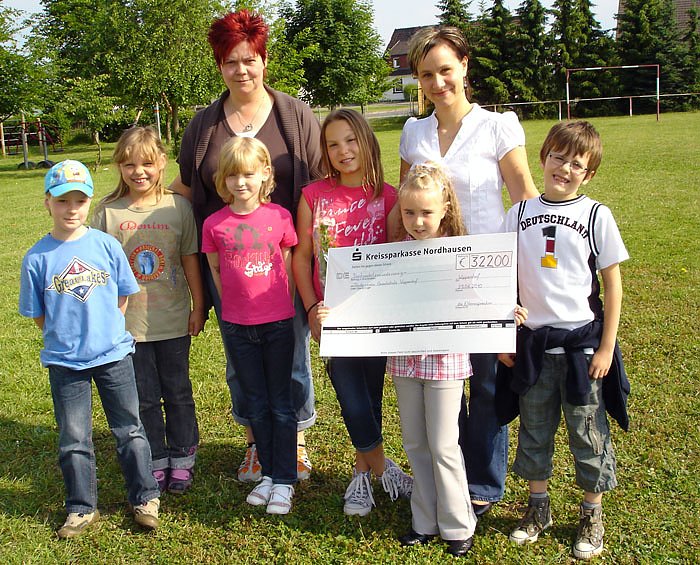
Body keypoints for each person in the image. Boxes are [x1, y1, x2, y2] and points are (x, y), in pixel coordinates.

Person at [170, 9, 322, 482]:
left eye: (250, 59)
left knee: (292, 356)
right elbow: (186, 188)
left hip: (286, 262)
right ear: (219, 65)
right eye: (231, 61)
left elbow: (319, 186)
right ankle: (256, 444)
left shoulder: (295, 115)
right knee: (242, 361)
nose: (241, 70)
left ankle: (295, 442)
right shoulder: (203, 126)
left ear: (264, 60)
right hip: (228, 267)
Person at [398, 25, 539, 516]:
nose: (437, 83)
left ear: (463, 66)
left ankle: (482, 484)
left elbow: (524, 198)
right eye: (426, 75)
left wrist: (533, 275)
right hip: (431, 278)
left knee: (486, 384)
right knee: (443, 386)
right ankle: (447, 479)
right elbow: (404, 206)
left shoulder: (498, 126)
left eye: (445, 70)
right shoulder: (413, 132)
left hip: (486, 275)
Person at [501, 121, 629, 560]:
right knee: (534, 431)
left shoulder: (597, 215)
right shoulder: (518, 214)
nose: (565, 168)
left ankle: (591, 513)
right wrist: (505, 331)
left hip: (582, 350)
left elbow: (612, 285)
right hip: (534, 347)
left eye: (577, 164)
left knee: (587, 434)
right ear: (543, 158)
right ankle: (538, 508)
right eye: (558, 157)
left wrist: (606, 347)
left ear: (588, 174)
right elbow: (502, 276)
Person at [19, 160, 160, 539]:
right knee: (73, 437)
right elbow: (39, 315)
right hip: (66, 363)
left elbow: (122, 295)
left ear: (89, 202)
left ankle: (145, 497)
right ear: (47, 202)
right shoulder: (37, 258)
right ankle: (81, 506)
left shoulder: (106, 245)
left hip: (113, 356)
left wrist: (105, 331)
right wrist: (67, 338)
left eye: (79, 201)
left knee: (129, 429)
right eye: (62, 201)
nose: (71, 209)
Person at [293, 109, 413, 517]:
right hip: (333, 318)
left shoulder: (389, 197)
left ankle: (361, 475)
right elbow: (302, 258)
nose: (343, 151)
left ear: (366, 142)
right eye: (333, 144)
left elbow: (397, 258)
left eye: (350, 140)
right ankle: (385, 470)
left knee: (371, 398)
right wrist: (312, 307)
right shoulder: (313, 196)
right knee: (351, 400)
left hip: (375, 318)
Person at [92, 127, 205, 495]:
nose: (138, 172)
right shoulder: (107, 212)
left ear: (162, 163)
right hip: (128, 326)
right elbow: (100, 272)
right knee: (143, 397)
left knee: (178, 392)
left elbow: (189, 259)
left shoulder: (178, 207)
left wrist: (199, 306)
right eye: (129, 165)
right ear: (119, 167)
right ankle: (155, 457)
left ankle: (183, 456)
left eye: (146, 164)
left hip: (173, 320)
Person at [201, 137, 298, 515]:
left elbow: (287, 265)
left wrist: (283, 309)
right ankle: (269, 474)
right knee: (255, 403)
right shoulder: (214, 224)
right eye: (232, 176)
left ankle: (286, 479)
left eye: (248, 174)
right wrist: (235, 311)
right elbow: (215, 272)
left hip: (278, 324)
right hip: (238, 328)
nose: (240, 182)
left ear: (265, 175)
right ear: (222, 180)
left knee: (281, 403)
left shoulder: (280, 217)